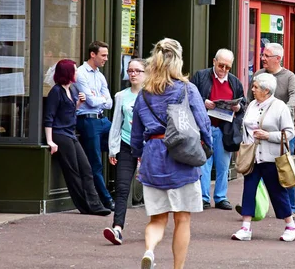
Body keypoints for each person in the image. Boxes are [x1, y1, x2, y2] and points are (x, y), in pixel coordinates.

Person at [131, 38, 212, 269]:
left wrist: (138, 155)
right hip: (182, 157)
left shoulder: (143, 94)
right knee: (182, 218)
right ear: (178, 60)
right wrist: (207, 147)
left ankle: (149, 250)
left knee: (156, 219)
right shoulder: (187, 89)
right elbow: (203, 123)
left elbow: (136, 133)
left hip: (153, 157)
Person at [231, 73, 295, 242]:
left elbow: (289, 132)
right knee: (249, 190)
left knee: (277, 191)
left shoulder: (280, 107)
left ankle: (291, 225)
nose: (252, 90)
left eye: (255, 87)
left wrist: (268, 135)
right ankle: (245, 227)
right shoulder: (252, 104)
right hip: (252, 156)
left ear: (266, 90)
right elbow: (245, 128)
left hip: (271, 157)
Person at [44, 59, 111, 216]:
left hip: (70, 133)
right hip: (60, 134)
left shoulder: (71, 89)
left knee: (86, 168)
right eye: (74, 70)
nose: (77, 73)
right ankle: (86, 206)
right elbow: (49, 117)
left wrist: (79, 103)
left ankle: (95, 205)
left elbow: (68, 112)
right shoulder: (56, 91)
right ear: (67, 73)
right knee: (72, 171)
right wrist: (50, 140)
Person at [243, 42, 295, 216]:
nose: (263, 59)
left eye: (266, 56)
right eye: (263, 55)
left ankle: (290, 208)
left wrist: (284, 110)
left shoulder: (289, 76)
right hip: (257, 135)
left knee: (284, 171)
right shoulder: (259, 74)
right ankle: (253, 209)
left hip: (280, 130)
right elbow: (249, 98)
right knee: (254, 174)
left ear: (278, 59)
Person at [191, 49, 246, 211]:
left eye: (228, 67)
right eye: (221, 65)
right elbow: (189, 97)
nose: (223, 70)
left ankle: (221, 197)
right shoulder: (201, 76)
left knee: (223, 165)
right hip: (205, 127)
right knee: (204, 164)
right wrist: (204, 102)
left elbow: (244, 104)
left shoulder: (234, 82)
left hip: (225, 129)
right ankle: (203, 197)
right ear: (214, 61)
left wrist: (237, 107)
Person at [103, 58, 146, 245]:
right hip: (126, 146)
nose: (133, 74)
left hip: (148, 147)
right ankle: (117, 228)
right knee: (122, 188)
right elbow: (116, 124)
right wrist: (113, 149)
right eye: (130, 71)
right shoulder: (121, 96)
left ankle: (157, 227)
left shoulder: (153, 95)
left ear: (146, 73)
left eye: (137, 71)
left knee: (155, 190)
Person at [75, 41, 114, 211]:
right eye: (103, 55)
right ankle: (106, 199)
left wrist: (100, 99)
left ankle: (118, 190)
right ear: (93, 54)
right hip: (88, 120)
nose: (106, 58)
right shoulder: (80, 73)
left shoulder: (100, 75)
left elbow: (110, 103)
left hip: (102, 120)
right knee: (95, 162)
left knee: (121, 144)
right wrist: (101, 99)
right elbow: (90, 102)